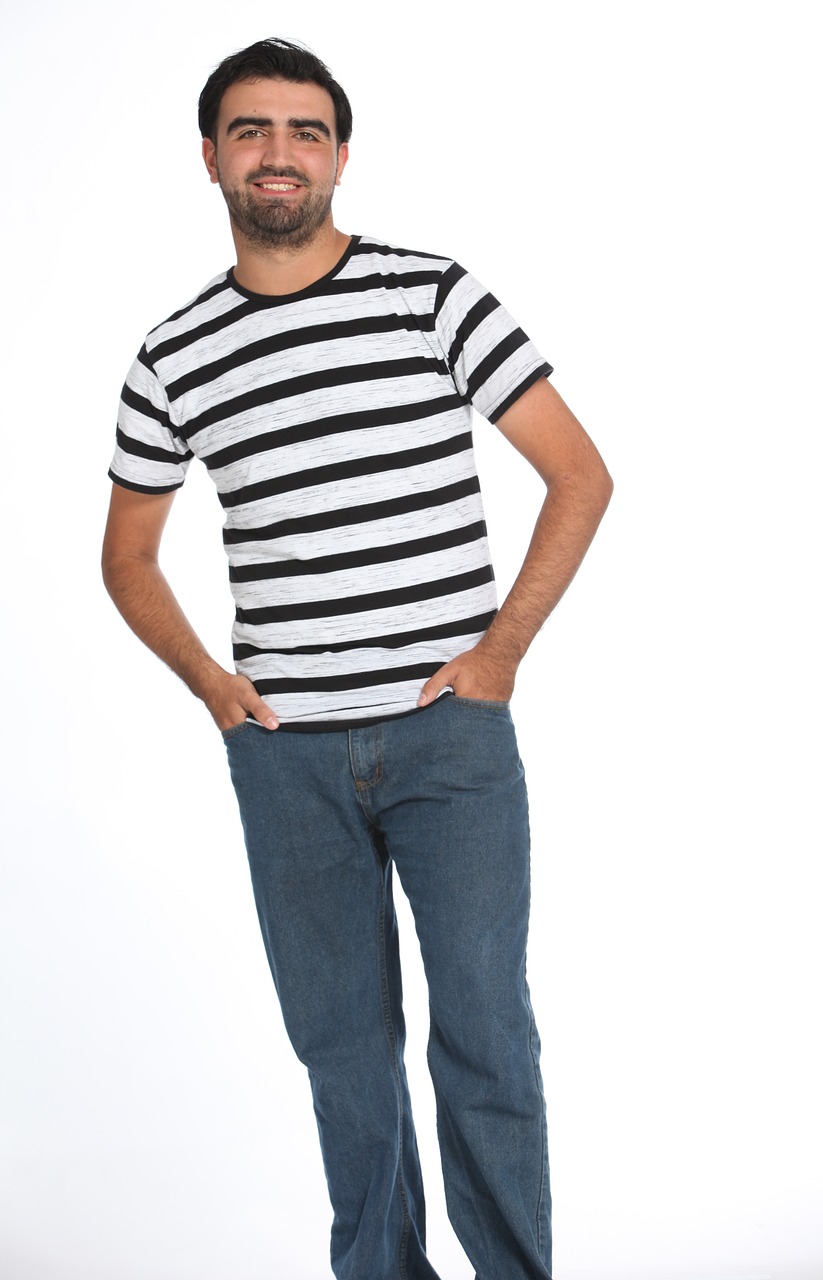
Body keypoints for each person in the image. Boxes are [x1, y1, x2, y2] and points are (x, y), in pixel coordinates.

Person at [102, 37, 612, 1280]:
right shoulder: (173, 353)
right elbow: (127, 556)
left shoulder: (431, 294)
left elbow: (579, 474)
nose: (278, 152)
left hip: (449, 738)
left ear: (339, 154)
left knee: (486, 1032)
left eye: (305, 130)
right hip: (284, 756)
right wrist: (213, 685)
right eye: (251, 129)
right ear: (210, 156)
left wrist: (498, 655)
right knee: (341, 1049)